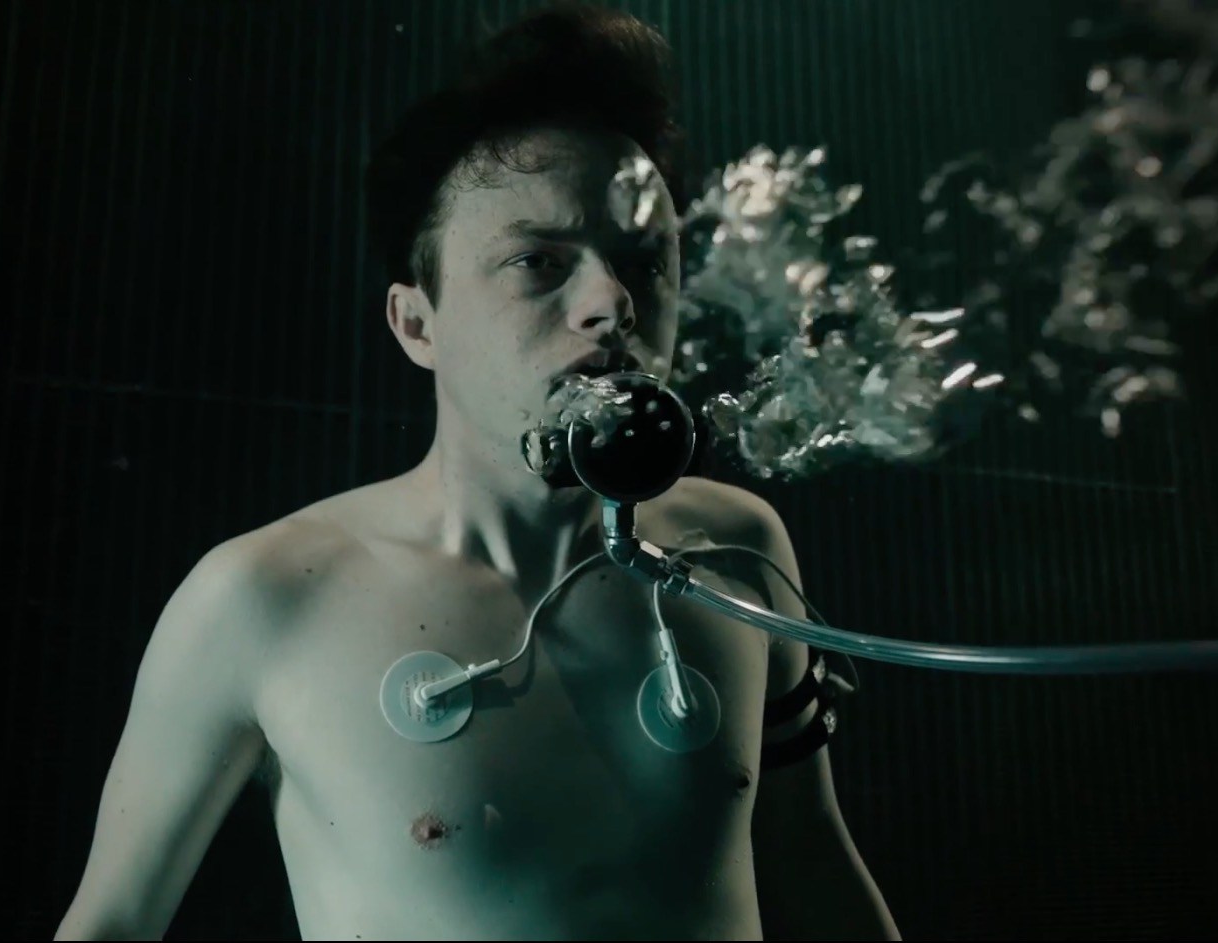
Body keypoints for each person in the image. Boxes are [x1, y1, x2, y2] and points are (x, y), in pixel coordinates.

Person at [56, 4, 900, 939]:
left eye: (642, 261)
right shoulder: (262, 595)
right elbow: (112, 922)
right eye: (538, 261)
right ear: (418, 323)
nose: (610, 302)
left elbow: (815, 865)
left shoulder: (738, 549)